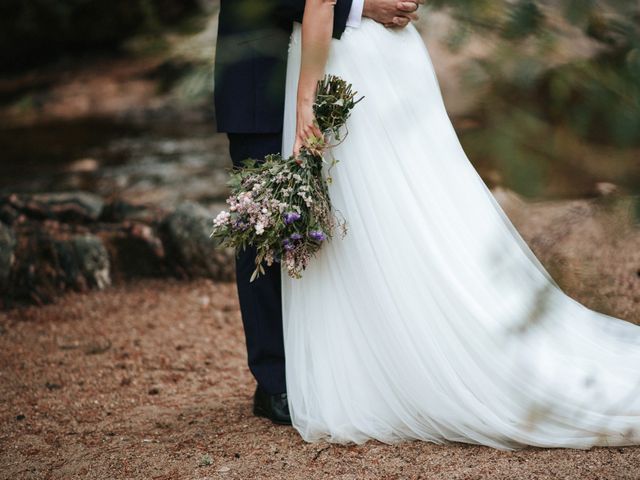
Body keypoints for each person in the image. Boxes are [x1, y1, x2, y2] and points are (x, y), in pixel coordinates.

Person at [281, 0, 640, 449]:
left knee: (379, 216)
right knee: (417, 210)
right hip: (394, 52)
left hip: (348, 59)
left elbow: (319, 2)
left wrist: (304, 102)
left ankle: (393, 368)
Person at [214, 0, 422, 426]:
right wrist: (361, 6)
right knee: (264, 226)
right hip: (261, 75)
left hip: (324, 67)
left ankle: (332, 364)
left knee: (336, 220)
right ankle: (274, 381)